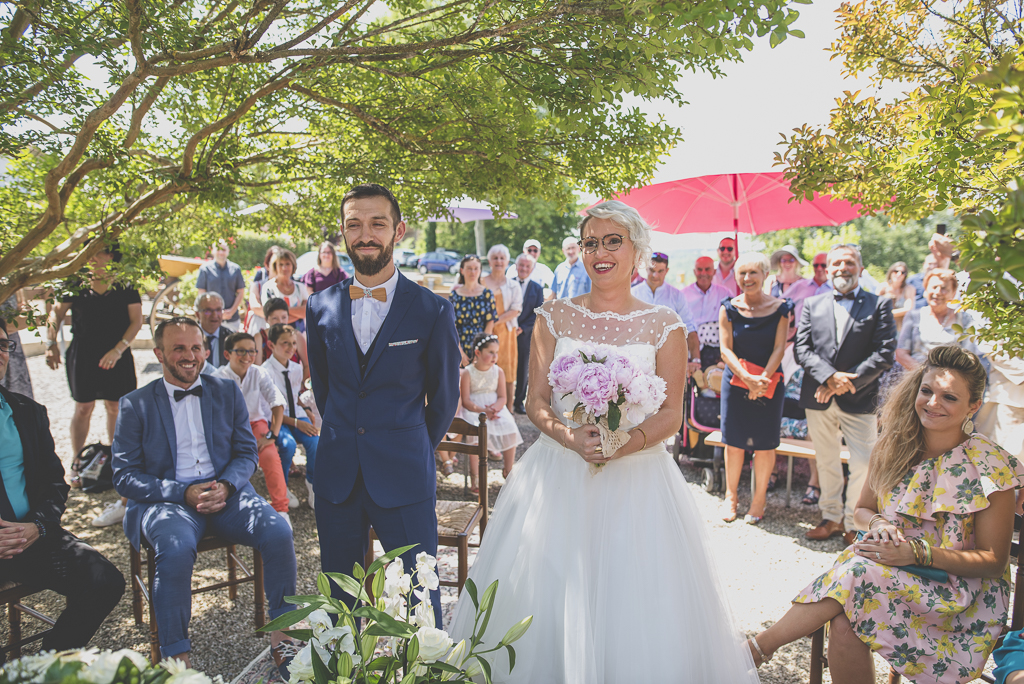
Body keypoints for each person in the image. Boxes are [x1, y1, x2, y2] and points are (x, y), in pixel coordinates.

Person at [448, 200, 759, 684]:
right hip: (558, 474)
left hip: (638, 478)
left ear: (637, 251)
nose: (600, 252)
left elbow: (672, 414)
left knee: (632, 601)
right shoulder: (551, 318)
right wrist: (570, 438)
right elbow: (535, 403)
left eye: (613, 241)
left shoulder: (665, 326)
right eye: (591, 242)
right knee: (545, 594)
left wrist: (625, 441)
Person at [748, 345, 1024, 684]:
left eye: (949, 397)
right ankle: (755, 652)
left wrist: (917, 552)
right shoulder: (895, 444)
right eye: (927, 391)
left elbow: (995, 561)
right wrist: (879, 523)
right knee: (846, 621)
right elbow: (863, 510)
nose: (933, 403)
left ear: (974, 406)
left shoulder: (989, 466)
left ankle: (756, 651)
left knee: (857, 572)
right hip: (892, 576)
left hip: (960, 600)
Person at [305, 183, 461, 629]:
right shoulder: (319, 306)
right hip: (337, 474)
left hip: (404, 473)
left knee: (416, 594)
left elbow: (444, 398)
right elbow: (326, 389)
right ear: (342, 233)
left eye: (377, 223)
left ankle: (422, 671)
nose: (365, 234)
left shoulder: (432, 310)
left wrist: (409, 443)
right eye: (354, 224)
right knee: (340, 596)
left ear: (399, 230)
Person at [112, 318, 298, 673]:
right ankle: (176, 662)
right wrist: (182, 492)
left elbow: (246, 453)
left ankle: (284, 639)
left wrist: (226, 486)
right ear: (159, 354)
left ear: (206, 351)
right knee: (176, 549)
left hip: (225, 493)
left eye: (195, 348)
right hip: (168, 502)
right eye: (178, 348)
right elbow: (124, 476)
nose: (189, 356)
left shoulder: (225, 391)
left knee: (279, 532)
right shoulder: (135, 404)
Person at [0, 319, 125, 661]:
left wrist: (38, 526)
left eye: (2, 344)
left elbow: (55, 481)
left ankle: (44, 666)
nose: (0, 353)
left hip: (32, 536)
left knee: (106, 581)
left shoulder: (27, 412)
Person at [795, 243, 897, 543]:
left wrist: (846, 381)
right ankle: (830, 518)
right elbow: (802, 348)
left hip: (861, 397)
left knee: (864, 462)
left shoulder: (878, 304)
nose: (843, 268)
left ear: (860, 269)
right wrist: (829, 377)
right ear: (827, 270)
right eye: (837, 263)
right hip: (819, 395)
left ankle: (855, 522)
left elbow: (885, 351)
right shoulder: (813, 304)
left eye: (849, 262)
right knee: (825, 459)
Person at [45, 241, 142, 528]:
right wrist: (51, 343)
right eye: (89, 253)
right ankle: (77, 462)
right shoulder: (75, 281)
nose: (93, 258)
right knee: (83, 407)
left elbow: (136, 321)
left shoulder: (125, 283)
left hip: (117, 352)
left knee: (116, 406)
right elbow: (56, 315)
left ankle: (114, 461)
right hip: (84, 354)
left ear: (111, 256)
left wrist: (118, 349)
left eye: (98, 252)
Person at [718, 252, 793, 524]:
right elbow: (725, 350)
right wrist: (747, 379)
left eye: (753, 273)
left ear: (764, 275)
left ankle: (759, 499)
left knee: (764, 445)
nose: (747, 278)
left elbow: (779, 348)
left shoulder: (782, 308)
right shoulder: (728, 308)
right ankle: (731, 497)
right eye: (742, 273)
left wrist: (761, 379)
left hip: (770, 381)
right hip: (736, 382)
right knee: (734, 443)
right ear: (736, 277)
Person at [213, 332, 292, 523]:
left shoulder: (259, 373)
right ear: (227, 354)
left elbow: (277, 402)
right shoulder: (217, 377)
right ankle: (222, 506)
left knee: (270, 455)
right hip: (227, 427)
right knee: (222, 460)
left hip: (256, 424)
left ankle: (281, 509)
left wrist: (272, 435)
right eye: (241, 351)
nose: (247, 356)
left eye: (251, 351)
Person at [264, 323, 318, 510]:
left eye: (294, 344)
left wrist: (308, 413)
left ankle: (312, 484)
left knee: (315, 443)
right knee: (287, 446)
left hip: (297, 416)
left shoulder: (296, 368)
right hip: (278, 419)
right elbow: (269, 409)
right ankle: (282, 486)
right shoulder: (265, 371)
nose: (291, 348)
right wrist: (296, 423)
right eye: (285, 343)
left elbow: (295, 397)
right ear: (271, 345)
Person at [460, 333, 524, 487]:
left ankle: (508, 471)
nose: (495, 356)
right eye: (491, 352)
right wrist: (483, 411)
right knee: (476, 433)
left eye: (496, 352)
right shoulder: (467, 372)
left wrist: (494, 409)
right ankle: (475, 477)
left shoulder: (498, 371)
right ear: (478, 353)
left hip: (495, 408)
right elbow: (466, 401)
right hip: (475, 410)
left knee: (509, 427)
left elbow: (503, 397)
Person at [631, 252, 700, 374]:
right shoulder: (633, 293)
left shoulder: (677, 296)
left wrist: (695, 360)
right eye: (652, 270)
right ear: (646, 268)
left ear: (667, 271)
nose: (655, 275)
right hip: (639, 360)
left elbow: (689, 327)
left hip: (669, 359)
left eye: (660, 271)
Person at [896, 269, 978, 370]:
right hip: (916, 374)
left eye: (944, 288)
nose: (938, 292)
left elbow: (970, 356)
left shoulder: (964, 318)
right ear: (925, 290)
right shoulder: (914, 316)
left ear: (953, 293)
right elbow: (901, 354)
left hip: (951, 376)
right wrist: (926, 374)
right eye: (934, 287)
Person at [482, 244, 522, 411]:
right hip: (484, 332)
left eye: (502, 258)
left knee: (507, 371)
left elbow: (516, 309)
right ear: (490, 261)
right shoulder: (481, 281)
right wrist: (487, 326)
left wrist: (494, 321)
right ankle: (485, 407)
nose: (498, 261)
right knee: (484, 368)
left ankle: (508, 409)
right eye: (495, 258)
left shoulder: (513, 285)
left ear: (507, 262)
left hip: (506, 333)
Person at [511, 253, 545, 415]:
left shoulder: (537, 289)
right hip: (506, 332)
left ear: (531, 269)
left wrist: (522, 328)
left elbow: (536, 313)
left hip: (524, 334)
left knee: (522, 367)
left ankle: (519, 402)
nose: (524, 269)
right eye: (521, 265)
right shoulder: (507, 284)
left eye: (527, 266)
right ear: (516, 267)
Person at [682, 256, 732, 358]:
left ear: (714, 272)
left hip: (716, 349)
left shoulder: (725, 293)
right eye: (700, 270)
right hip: (689, 347)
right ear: (694, 271)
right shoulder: (683, 295)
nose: (703, 273)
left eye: (707, 270)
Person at [450, 255, 496, 367]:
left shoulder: (487, 294)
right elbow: (451, 326)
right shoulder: (454, 296)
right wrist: (459, 352)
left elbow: (490, 323)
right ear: (462, 270)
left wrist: (480, 352)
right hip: (459, 345)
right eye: (469, 268)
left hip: (481, 348)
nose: (473, 272)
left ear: (480, 271)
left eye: (476, 268)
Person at [195, 240, 246, 332]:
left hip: (231, 319)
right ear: (213, 251)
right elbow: (201, 294)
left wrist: (231, 311)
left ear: (228, 251)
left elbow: (240, 292)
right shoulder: (205, 269)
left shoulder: (236, 269)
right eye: (218, 249)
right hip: (211, 318)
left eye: (224, 249)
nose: (221, 252)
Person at [255, 297, 311, 381]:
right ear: (266, 319)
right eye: (275, 318)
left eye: (284, 317)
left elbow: (307, 365)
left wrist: (300, 387)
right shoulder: (259, 337)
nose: (280, 321)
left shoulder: (297, 336)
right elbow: (257, 368)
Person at [260, 249, 307, 332]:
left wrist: (282, 311)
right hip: (277, 333)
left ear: (293, 265)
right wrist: (297, 313)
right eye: (281, 264)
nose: (284, 268)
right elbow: (269, 313)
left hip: (299, 333)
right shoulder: (268, 287)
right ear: (275, 267)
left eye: (287, 264)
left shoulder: (300, 287)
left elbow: (305, 312)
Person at [1, 293, 34, 399]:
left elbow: (25, 310)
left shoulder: (13, 282)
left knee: (18, 403)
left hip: (10, 348)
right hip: (6, 342)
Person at [246, 246, 280, 334]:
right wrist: (279, 317)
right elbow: (255, 307)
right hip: (260, 329)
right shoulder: (257, 285)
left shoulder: (292, 287)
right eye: (275, 263)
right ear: (267, 265)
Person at [194, 292, 230, 370]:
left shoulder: (230, 337)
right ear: (197, 314)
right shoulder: (189, 337)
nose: (214, 315)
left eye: (218, 310)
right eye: (208, 310)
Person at [549, 235, 591, 299]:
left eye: (573, 248)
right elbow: (553, 294)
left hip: (579, 308)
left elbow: (591, 294)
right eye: (568, 248)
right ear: (563, 251)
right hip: (560, 308)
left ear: (579, 249)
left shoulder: (586, 269)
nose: (571, 251)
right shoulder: (559, 269)